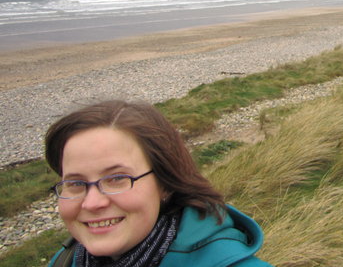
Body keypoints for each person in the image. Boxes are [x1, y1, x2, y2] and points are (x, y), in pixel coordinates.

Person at [45, 100, 272, 267]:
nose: (92, 203)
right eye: (75, 183)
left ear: (165, 183)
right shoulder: (66, 260)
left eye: (117, 179)